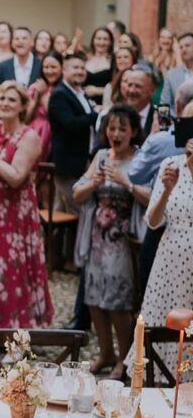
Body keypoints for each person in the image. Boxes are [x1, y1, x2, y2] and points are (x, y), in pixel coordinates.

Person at [0, 82, 53, 328]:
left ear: (23, 106)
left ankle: (16, 335)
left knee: (11, 272)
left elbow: (16, 177)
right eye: (2, 98)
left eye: (12, 100)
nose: (5, 103)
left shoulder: (29, 136)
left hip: (14, 213)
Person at [73, 105, 149, 379]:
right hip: (95, 238)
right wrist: (93, 183)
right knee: (94, 297)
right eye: (111, 128)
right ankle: (105, 352)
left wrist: (126, 183)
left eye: (122, 129)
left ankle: (123, 357)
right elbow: (77, 194)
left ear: (133, 132)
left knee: (118, 301)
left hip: (123, 239)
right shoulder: (101, 155)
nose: (116, 134)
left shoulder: (140, 158)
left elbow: (152, 199)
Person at [137, 125, 193, 371]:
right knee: (165, 325)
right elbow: (153, 220)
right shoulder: (172, 164)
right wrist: (167, 190)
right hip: (171, 260)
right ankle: (161, 386)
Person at [48, 50, 97, 213]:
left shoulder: (80, 92)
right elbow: (70, 123)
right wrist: (96, 115)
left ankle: (56, 239)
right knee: (79, 210)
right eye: (75, 67)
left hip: (82, 159)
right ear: (64, 70)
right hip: (68, 163)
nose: (80, 71)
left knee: (62, 211)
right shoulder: (59, 94)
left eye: (83, 68)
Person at [26, 51, 64, 161]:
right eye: (46, 67)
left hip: (54, 134)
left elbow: (56, 117)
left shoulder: (64, 89)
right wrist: (35, 101)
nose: (49, 71)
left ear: (61, 67)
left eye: (53, 67)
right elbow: (25, 118)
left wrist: (43, 95)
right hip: (34, 132)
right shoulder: (35, 87)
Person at [160, 31, 193, 113]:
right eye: (181, 47)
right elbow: (164, 103)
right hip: (177, 122)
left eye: (187, 46)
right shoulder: (171, 75)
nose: (184, 49)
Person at [83, 27, 115, 102]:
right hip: (84, 103)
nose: (101, 42)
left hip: (105, 103)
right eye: (98, 38)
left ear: (110, 42)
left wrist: (97, 91)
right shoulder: (85, 59)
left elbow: (118, 88)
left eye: (105, 39)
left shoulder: (114, 60)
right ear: (93, 40)